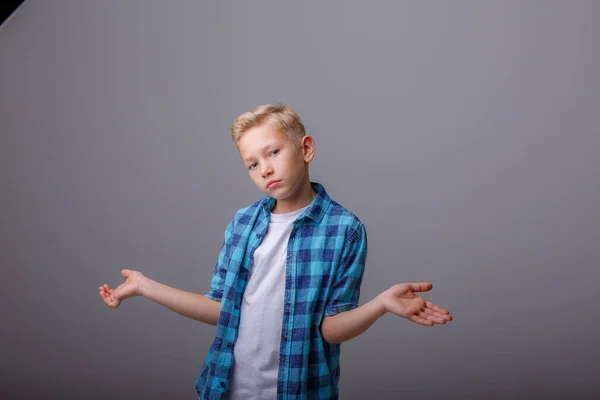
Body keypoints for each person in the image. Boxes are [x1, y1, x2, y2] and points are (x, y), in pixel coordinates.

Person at [98, 104, 453, 399]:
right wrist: (146, 286)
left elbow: (329, 330)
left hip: (300, 390)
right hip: (227, 388)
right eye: (252, 163)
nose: (265, 168)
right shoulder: (241, 224)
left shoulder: (345, 230)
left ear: (306, 148)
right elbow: (223, 310)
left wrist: (380, 305)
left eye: (273, 152)